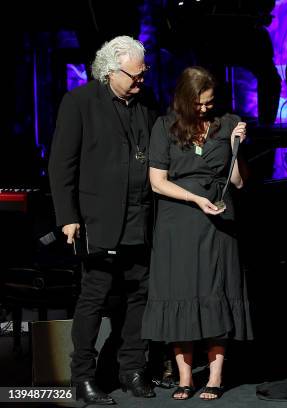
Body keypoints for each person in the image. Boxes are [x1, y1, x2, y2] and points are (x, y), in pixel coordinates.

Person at [48, 35, 159, 404]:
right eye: (134, 75)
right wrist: (68, 217)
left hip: (140, 217)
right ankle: (82, 376)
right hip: (98, 220)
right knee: (94, 297)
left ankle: (131, 369)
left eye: (143, 74)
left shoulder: (145, 105)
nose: (140, 81)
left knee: (138, 295)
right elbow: (62, 164)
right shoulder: (79, 102)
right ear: (110, 71)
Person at [141, 66, 253, 401]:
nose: (205, 108)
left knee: (215, 293)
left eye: (209, 102)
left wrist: (237, 148)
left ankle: (216, 376)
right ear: (184, 99)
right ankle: (185, 377)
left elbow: (239, 182)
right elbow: (157, 182)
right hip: (178, 223)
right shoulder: (164, 127)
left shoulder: (227, 123)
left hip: (218, 221)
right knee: (180, 294)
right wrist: (194, 197)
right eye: (199, 103)